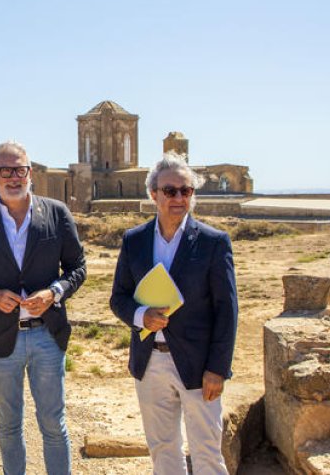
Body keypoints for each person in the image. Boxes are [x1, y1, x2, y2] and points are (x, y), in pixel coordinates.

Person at [0, 141, 87, 475]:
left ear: (30, 173)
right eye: (6, 171)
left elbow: (77, 268)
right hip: (1, 337)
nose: (14, 177)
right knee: (9, 426)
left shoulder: (56, 213)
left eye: (20, 170)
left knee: (54, 425)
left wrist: (54, 292)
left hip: (47, 337)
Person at [109, 154, 238, 475]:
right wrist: (141, 316)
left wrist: (218, 369)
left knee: (207, 453)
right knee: (163, 451)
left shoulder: (213, 242)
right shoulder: (134, 240)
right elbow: (118, 298)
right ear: (153, 194)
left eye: (186, 191)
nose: (179, 198)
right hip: (149, 360)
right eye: (170, 191)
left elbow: (227, 309)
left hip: (199, 365)